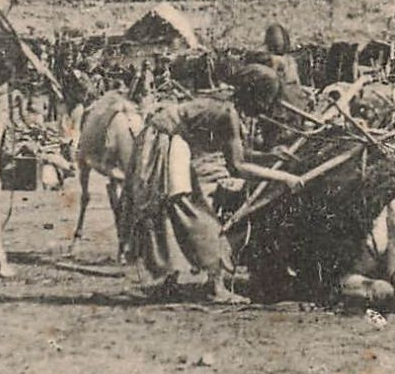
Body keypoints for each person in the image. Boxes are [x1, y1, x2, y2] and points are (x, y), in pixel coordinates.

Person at [119, 65, 306, 304]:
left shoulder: (226, 106)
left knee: (172, 211)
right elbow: (237, 166)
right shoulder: (228, 113)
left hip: (165, 139)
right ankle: (214, 287)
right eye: (265, 100)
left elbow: (238, 153)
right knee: (192, 213)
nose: (265, 108)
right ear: (254, 95)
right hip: (164, 141)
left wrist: (272, 156)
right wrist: (284, 178)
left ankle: (169, 280)